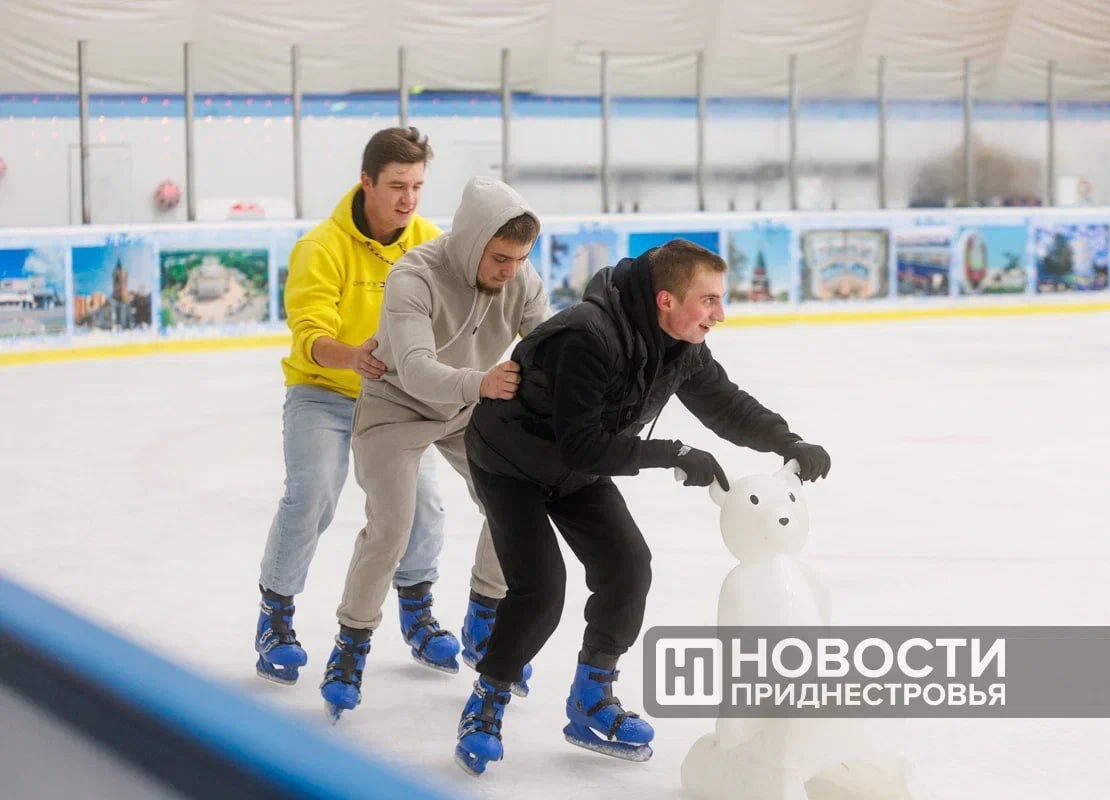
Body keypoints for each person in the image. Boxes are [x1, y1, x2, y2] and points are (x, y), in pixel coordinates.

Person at [452, 239, 832, 775]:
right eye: (708, 301)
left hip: (575, 470)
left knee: (628, 568)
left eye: (720, 300)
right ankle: (486, 701)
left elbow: (724, 403)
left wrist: (786, 441)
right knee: (541, 588)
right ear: (666, 300)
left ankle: (591, 697)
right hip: (510, 463)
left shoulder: (680, 346)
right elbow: (581, 445)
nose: (720, 314)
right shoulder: (588, 337)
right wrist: (670, 453)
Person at [319, 176, 550, 722]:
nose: (510, 271)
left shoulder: (520, 277)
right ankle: (350, 645)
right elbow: (418, 369)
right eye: (500, 258)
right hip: (396, 407)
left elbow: (550, 346)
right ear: (470, 242)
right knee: (391, 529)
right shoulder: (413, 276)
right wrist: (483, 383)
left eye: (520, 259)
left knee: (515, 501)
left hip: (466, 410)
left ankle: (485, 618)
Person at [255, 127, 452, 686]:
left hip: (399, 400)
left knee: (425, 504)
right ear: (366, 181)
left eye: (417, 186)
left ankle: (417, 612)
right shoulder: (321, 247)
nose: (409, 199)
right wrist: (354, 357)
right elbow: (309, 336)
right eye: (397, 186)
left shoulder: (431, 244)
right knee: (313, 493)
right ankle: (275, 617)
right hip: (324, 393)